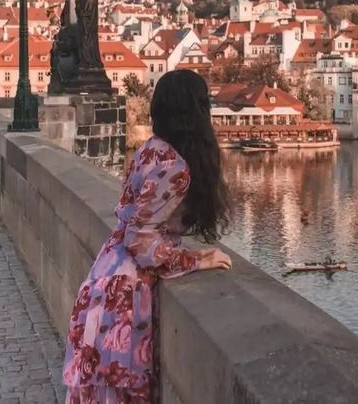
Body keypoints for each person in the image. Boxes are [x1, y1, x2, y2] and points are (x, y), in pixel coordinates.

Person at [63, 70, 232, 404]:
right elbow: (141, 242)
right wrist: (195, 259)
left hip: (106, 274)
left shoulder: (151, 149)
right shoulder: (176, 167)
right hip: (127, 291)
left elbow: (133, 223)